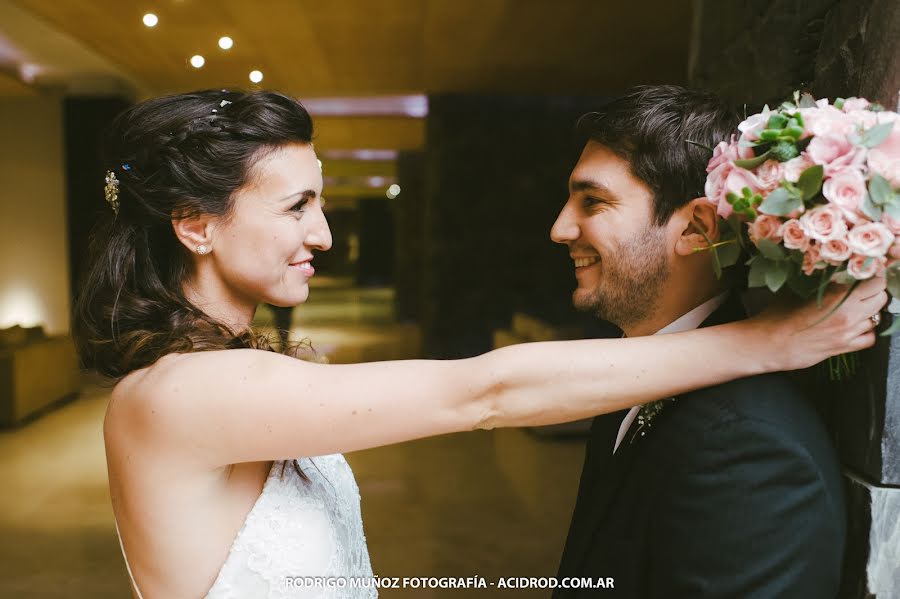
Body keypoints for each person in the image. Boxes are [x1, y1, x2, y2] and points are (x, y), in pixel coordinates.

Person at [72, 89, 885, 599]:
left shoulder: (231, 370)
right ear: (194, 224)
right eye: (296, 207)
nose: (322, 233)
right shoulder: (182, 392)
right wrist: (769, 339)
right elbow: (484, 392)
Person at [552, 85, 861, 597]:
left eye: (593, 202)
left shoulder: (748, 448)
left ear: (698, 228)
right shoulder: (629, 373)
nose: (561, 228)